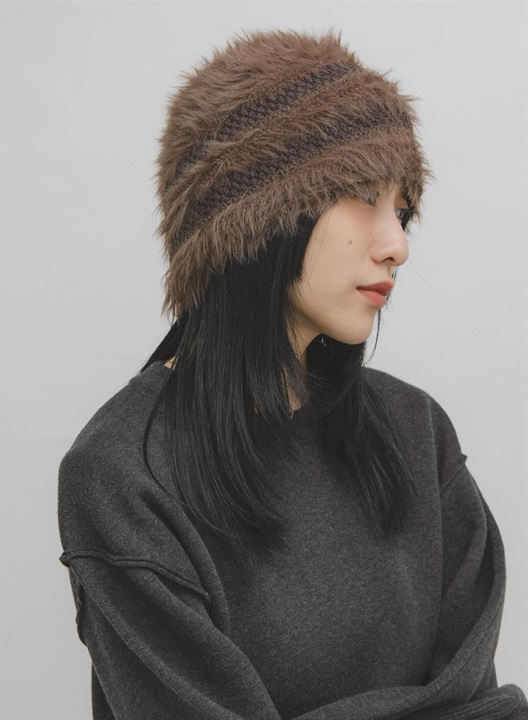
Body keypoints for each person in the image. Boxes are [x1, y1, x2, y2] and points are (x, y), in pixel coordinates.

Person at [57, 28, 528, 719]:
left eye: (402, 210)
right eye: (363, 195)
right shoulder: (125, 476)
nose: (398, 245)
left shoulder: (417, 431)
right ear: (253, 218)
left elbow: (481, 705)